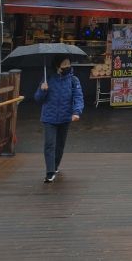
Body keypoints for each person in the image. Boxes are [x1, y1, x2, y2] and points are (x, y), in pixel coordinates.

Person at [34, 55, 84, 183]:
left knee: (60, 145)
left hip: (65, 117)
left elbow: (78, 97)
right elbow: (38, 98)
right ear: (57, 66)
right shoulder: (48, 78)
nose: (67, 66)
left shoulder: (73, 80)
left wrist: (77, 112)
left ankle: (55, 166)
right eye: (64, 64)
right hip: (49, 117)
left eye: (68, 63)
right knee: (49, 144)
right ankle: (50, 172)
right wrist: (42, 90)